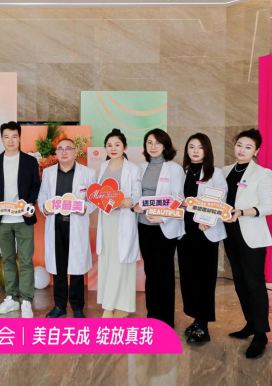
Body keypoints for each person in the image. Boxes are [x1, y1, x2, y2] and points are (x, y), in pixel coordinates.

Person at [223, 129, 272, 359]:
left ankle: (261, 334)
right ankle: (250, 323)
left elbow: (269, 205)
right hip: (230, 233)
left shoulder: (262, 173)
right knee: (240, 282)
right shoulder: (224, 171)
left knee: (255, 284)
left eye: (248, 147)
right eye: (239, 145)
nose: (242, 150)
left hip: (251, 235)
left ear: (256, 151)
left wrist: (242, 211)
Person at [0, 121, 40, 318]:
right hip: (3, 219)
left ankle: (26, 300)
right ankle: (11, 298)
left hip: (23, 218)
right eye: (6, 137)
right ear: (2, 139)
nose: (10, 140)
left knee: (25, 260)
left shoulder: (30, 161)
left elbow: (35, 185)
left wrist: (31, 203)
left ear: (20, 138)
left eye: (14, 136)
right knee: (8, 259)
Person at [38, 138, 97, 318]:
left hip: (76, 224)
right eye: (60, 149)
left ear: (75, 152)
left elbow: (93, 199)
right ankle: (60, 305)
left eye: (68, 148)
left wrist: (85, 208)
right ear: (56, 153)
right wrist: (44, 208)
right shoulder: (48, 173)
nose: (64, 152)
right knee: (59, 268)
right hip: (56, 224)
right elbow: (42, 196)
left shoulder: (88, 173)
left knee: (77, 268)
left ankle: (77, 307)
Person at [177, 133, 227, 345]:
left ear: (207, 150)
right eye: (191, 146)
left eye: (200, 147)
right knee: (188, 277)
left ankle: (203, 326)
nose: (195, 151)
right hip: (185, 232)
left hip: (205, 233)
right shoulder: (181, 172)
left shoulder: (215, 173)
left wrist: (208, 219)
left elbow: (220, 200)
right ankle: (195, 319)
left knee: (204, 279)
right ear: (187, 150)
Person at [133, 129, 184, 329]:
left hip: (164, 227)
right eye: (149, 143)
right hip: (144, 226)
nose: (153, 147)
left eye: (157, 143)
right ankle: (153, 315)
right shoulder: (140, 167)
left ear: (165, 145)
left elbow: (178, 200)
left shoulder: (174, 169)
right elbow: (136, 194)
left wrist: (162, 218)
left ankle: (166, 319)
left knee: (165, 273)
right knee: (151, 271)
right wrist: (135, 205)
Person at [96, 128, 141, 318]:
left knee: (121, 262)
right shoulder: (102, 167)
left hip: (123, 219)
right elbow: (97, 192)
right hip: (106, 219)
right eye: (109, 145)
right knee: (108, 260)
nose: (113, 148)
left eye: (117, 144)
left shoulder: (133, 168)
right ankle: (115, 304)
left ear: (125, 147)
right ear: (105, 148)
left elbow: (137, 192)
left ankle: (114, 307)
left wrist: (131, 200)